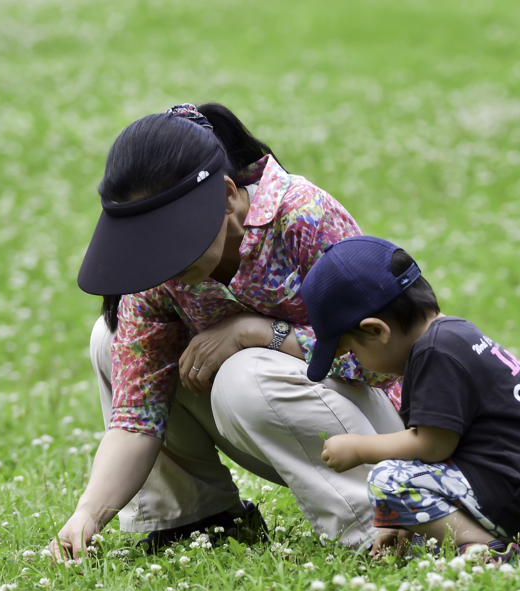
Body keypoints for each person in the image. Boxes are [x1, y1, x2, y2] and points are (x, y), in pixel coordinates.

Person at [49, 103, 405, 561]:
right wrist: (88, 514)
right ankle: (197, 518)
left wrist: (258, 333)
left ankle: (383, 524)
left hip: (381, 434)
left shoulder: (302, 216)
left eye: (177, 240)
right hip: (282, 428)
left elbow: (386, 361)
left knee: (246, 370)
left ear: (228, 195)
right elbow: (138, 416)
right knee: (109, 337)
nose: (168, 264)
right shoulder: (158, 277)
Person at [301, 236, 520, 561]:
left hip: (516, 490)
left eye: (352, 351)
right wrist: (397, 520)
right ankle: (476, 541)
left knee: (386, 477)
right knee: (397, 477)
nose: (356, 361)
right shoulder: (453, 335)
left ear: (377, 331)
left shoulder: (434, 352)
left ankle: (485, 550)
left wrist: (359, 448)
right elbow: (435, 458)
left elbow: (432, 447)